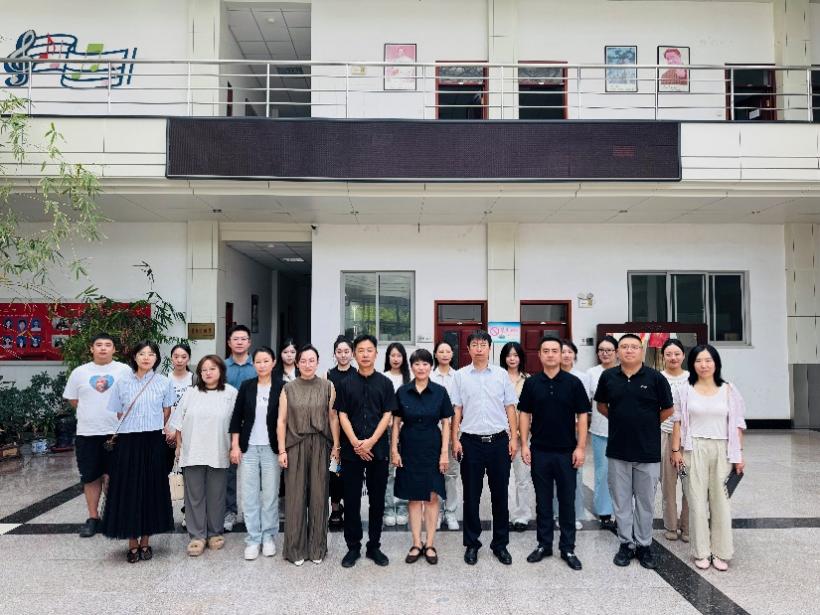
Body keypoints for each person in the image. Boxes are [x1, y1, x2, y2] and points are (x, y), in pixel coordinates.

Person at [594, 333, 673, 570]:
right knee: (621, 502)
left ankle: (644, 544)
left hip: (648, 451)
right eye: (624, 347)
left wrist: (647, 424)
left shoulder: (656, 378)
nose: (629, 350)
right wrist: (621, 420)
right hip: (618, 449)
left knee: (646, 501)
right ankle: (626, 544)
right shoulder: (608, 377)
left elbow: (668, 409)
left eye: (634, 347)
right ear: (618, 352)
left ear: (641, 350)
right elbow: (601, 406)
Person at [671, 345, 746, 571]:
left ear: (716, 363)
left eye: (708, 360)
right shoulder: (684, 389)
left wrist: (739, 455)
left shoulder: (729, 389)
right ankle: (701, 551)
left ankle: (721, 551)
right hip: (692, 449)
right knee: (695, 500)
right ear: (692, 364)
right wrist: (675, 451)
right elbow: (677, 422)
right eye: (698, 361)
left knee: (721, 501)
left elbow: (738, 424)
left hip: (723, 450)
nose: (703, 365)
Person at [103, 340, 176, 563]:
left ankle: (145, 542)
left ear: (157, 358)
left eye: (151, 354)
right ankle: (132, 543)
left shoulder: (164, 383)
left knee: (150, 491)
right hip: (128, 442)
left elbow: (166, 411)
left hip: (153, 441)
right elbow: (117, 413)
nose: (146, 357)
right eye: (142, 353)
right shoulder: (122, 383)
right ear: (134, 357)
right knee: (129, 491)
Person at [519, 336, 589, 571]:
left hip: (567, 452)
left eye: (554, 351)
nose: (550, 354)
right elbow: (524, 414)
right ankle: (544, 544)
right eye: (546, 351)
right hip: (539, 451)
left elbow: (582, 416)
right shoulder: (532, 383)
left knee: (567, 501)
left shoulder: (573, 383)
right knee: (543, 501)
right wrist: (524, 444)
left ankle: (568, 548)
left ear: (561, 355)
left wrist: (581, 447)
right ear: (539, 355)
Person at [451, 330, 518, 566]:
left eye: (483, 344)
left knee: (500, 495)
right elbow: (457, 409)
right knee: (471, 496)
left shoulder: (501, 375)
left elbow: (510, 407)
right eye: (475, 345)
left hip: (499, 442)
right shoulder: (460, 376)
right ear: (468, 349)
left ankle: (500, 545)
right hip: (470, 443)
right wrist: (455, 439)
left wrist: (514, 438)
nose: (479, 348)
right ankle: (472, 544)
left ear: (490, 348)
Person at [335, 334, 397, 568]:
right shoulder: (345, 383)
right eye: (360, 350)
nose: (365, 354)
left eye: (369, 350)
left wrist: (370, 442)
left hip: (377, 450)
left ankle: (374, 546)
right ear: (354, 354)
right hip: (351, 452)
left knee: (377, 500)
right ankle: (353, 547)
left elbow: (387, 414)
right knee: (351, 500)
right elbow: (341, 414)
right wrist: (355, 442)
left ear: (376, 354)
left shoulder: (385, 383)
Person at [166, 355, 237, 557]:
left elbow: (237, 424)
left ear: (221, 371)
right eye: (204, 370)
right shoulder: (191, 393)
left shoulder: (231, 393)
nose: (208, 373)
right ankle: (197, 536)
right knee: (194, 496)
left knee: (217, 495)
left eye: (212, 368)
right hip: (193, 451)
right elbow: (178, 423)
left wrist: (234, 447)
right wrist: (179, 447)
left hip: (219, 450)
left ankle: (214, 532)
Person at [62, 333, 131, 538]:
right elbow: (74, 400)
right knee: (91, 476)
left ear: (114, 349)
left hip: (117, 432)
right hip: (88, 433)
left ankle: (115, 516)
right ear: (91, 349)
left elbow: (131, 398)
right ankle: (93, 518)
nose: (103, 348)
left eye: (108, 345)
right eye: (98, 344)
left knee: (116, 476)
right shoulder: (79, 372)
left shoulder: (124, 370)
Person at [277, 345, 340, 566]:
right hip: (295, 446)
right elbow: (282, 421)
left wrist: (336, 447)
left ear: (318, 362)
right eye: (303, 361)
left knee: (319, 497)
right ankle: (295, 550)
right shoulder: (288, 388)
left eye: (311, 360)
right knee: (295, 498)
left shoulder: (328, 386)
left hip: (321, 445)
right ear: (297, 363)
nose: (307, 364)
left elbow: (333, 418)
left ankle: (317, 548)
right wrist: (282, 450)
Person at [391, 349, 453, 565]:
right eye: (417, 364)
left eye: (425, 364)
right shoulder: (402, 392)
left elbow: (446, 423)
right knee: (414, 497)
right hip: (409, 448)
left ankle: (430, 543)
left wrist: (444, 453)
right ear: (411, 366)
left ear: (430, 366)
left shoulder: (440, 392)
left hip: (432, 448)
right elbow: (396, 423)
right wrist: (394, 450)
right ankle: (417, 543)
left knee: (432, 496)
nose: (421, 368)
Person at [229, 347, 285, 561]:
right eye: (258, 361)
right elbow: (236, 418)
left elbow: (285, 420)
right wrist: (235, 446)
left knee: (270, 495)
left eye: (266, 361)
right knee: (249, 495)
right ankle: (253, 539)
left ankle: (268, 537)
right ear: (254, 364)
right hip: (249, 447)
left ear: (273, 363)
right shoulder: (247, 386)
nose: (262, 365)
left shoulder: (282, 387)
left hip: (271, 448)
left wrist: (283, 449)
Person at [224, 324, 256, 532]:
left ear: (249, 342)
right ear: (229, 342)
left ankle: (250, 513)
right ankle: (229, 511)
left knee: (253, 471)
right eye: (235, 339)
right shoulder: (221, 367)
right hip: (228, 425)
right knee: (229, 471)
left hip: (253, 426)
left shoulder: (258, 366)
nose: (239, 342)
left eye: (243, 339)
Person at [500, 341, 534, 533]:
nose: (512, 359)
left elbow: (532, 410)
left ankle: (522, 516)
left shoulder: (529, 380)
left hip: (523, 436)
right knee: (503, 478)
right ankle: (505, 514)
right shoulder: (497, 377)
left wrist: (523, 434)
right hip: (500, 435)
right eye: (508, 355)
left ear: (521, 358)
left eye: (515, 355)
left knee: (522, 478)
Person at [559, 340, 591, 531]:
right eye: (562, 352)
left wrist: (581, 442)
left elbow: (583, 410)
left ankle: (575, 514)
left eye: (569, 352)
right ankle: (555, 513)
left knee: (575, 475)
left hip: (574, 430)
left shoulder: (582, 377)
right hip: (554, 431)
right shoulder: (550, 375)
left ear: (574, 355)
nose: (566, 355)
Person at [660, 338, 690, 542]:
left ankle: (687, 526)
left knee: (688, 481)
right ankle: (671, 525)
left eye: (677, 353)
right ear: (663, 356)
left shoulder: (692, 378)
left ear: (683, 356)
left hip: (688, 441)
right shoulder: (657, 378)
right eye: (669, 354)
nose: (673, 357)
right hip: (665, 436)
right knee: (668, 484)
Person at [587, 335, 618, 530]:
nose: (605, 353)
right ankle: (604, 512)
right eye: (601, 350)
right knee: (603, 472)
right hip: (600, 431)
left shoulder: (624, 371)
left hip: (624, 432)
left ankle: (623, 510)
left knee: (623, 473)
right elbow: (585, 401)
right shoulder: (591, 373)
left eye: (609, 350)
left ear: (616, 352)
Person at [325, 335, 355, 530]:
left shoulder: (358, 374)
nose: (343, 355)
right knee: (335, 472)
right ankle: (335, 509)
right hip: (333, 431)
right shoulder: (328, 375)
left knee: (351, 473)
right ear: (334, 354)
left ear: (352, 354)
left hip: (353, 431)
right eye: (339, 352)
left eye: (346, 351)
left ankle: (351, 508)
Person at [431, 340, 459, 531]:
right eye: (441, 351)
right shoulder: (429, 376)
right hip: (432, 432)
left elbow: (460, 406)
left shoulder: (458, 377)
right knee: (434, 473)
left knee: (451, 473)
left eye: (448, 351)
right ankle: (437, 511)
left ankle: (450, 512)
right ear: (435, 354)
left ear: (452, 354)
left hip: (453, 432)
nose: (444, 354)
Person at [383, 342, 411, 527]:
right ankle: (388, 508)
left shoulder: (409, 379)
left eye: (399, 355)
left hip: (406, 430)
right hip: (386, 429)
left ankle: (402, 507)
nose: (395, 359)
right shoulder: (383, 378)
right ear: (388, 358)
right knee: (388, 472)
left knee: (404, 470)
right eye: (392, 355)